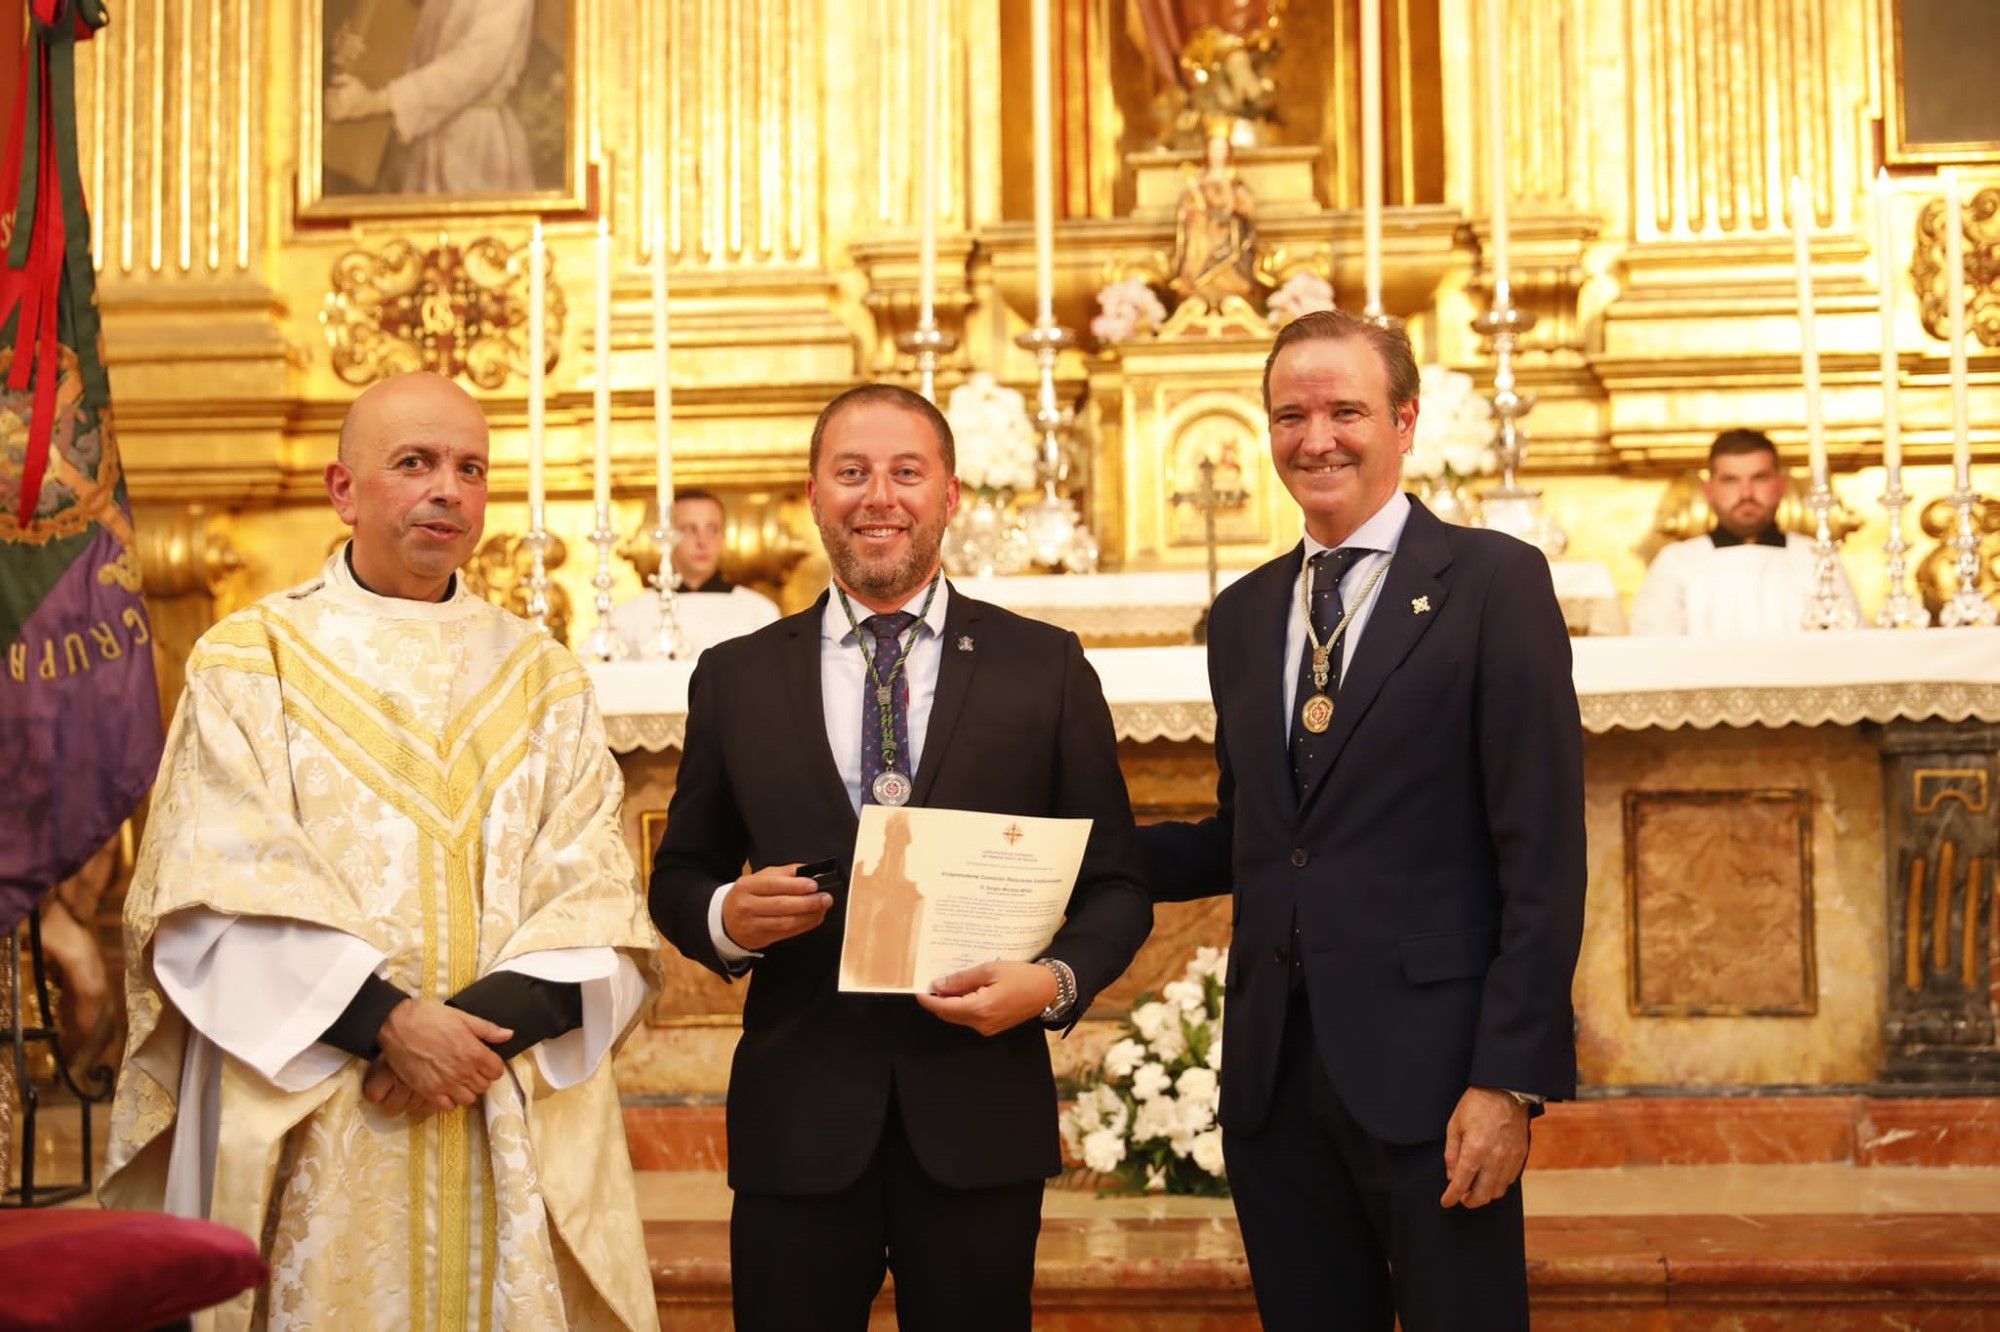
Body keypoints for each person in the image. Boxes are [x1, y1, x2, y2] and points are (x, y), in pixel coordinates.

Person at [102, 371, 661, 1331]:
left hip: (499, 1094)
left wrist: (459, 1040)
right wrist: (389, 1024)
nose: (448, 488)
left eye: (470, 468)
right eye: (415, 463)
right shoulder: (253, 658)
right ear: (343, 490)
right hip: (316, 1099)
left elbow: (594, 898)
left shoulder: (545, 678)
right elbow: (214, 885)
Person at [649, 383, 1152, 1331]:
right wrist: (724, 917)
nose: (879, 496)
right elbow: (680, 872)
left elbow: (1118, 886)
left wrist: (1050, 986)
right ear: (813, 494)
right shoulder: (737, 677)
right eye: (852, 473)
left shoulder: (1043, 667)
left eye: (906, 472)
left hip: (977, 1114)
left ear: (950, 495)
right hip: (799, 1116)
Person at [1139, 309, 1586, 1332]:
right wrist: (1055, 854)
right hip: (1275, 1076)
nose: (1315, 438)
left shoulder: (1489, 584)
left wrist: (1507, 1082)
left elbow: (1542, 853)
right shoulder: (1246, 614)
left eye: (1345, 410)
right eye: (1289, 415)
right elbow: (1253, 835)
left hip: (1434, 1076)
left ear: (1404, 420)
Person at [1629, 429, 1860, 635]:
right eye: (1730, 480)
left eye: (1759, 478)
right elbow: (1656, 656)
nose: (1746, 493)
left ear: (1781, 485)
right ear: (1709, 490)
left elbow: (1849, 645)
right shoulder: (1677, 562)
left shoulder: (1816, 557)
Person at [325, 0, 538, 196]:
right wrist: (353, 49)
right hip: (415, 142)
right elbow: (410, 45)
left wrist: (377, 101)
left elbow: (474, 68)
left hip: (474, 143)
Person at [611, 487, 781, 657]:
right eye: (689, 529)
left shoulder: (759, 612)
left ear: (723, 537)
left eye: (712, 529)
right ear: (669, 537)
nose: (702, 541)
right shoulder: (629, 615)